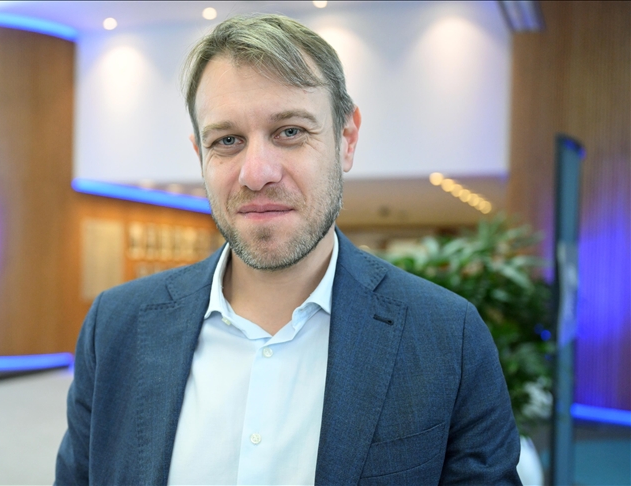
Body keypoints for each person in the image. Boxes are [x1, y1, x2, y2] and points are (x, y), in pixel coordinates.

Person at [56, 14, 521, 485]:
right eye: (228, 140)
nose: (257, 173)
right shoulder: (116, 327)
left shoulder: (447, 337)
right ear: (200, 155)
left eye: (290, 132)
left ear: (346, 140)